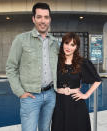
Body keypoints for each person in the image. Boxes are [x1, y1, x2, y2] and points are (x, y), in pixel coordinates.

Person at [6, 2, 59, 131]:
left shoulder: (54, 42)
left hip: (51, 95)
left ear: (50, 19)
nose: (43, 21)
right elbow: (11, 67)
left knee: (45, 129)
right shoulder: (21, 39)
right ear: (33, 19)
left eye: (46, 17)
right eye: (39, 17)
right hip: (30, 97)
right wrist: (20, 92)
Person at [51, 32, 102, 131]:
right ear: (62, 44)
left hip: (76, 104)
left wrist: (86, 95)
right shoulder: (56, 61)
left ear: (76, 47)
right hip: (59, 103)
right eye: (66, 43)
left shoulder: (82, 62)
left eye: (72, 45)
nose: (68, 47)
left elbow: (97, 80)